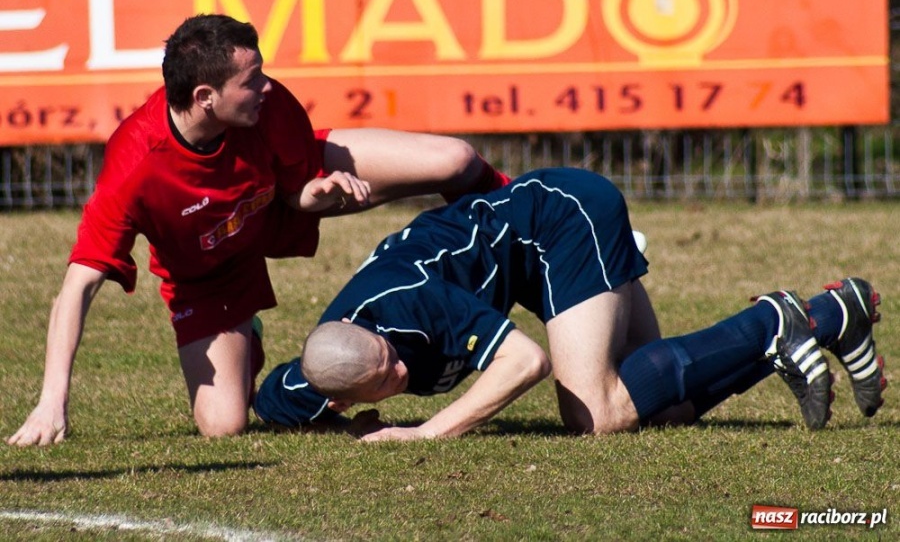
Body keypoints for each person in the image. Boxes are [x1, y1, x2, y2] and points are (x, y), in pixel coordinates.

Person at [6, 13, 512, 446]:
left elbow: (296, 194)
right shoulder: (135, 164)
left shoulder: (267, 105)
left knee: (453, 159)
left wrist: (317, 191)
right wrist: (52, 402)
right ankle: (249, 340)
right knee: (222, 427)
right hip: (212, 273)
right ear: (205, 97)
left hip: (280, 203)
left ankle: (519, 226)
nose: (266, 85)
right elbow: (78, 284)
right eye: (251, 79)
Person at [252, 167, 886, 440]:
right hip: (533, 255)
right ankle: (832, 315)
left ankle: (773, 322)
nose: (398, 367)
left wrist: (425, 429)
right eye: (386, 378)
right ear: (341, 396)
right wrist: (339, 424)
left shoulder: (416, 306)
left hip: (563, 217)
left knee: (597, 415)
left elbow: (525, 362)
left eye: (392, 356)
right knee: (657, 409)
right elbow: (271, 400)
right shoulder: (323, 377)